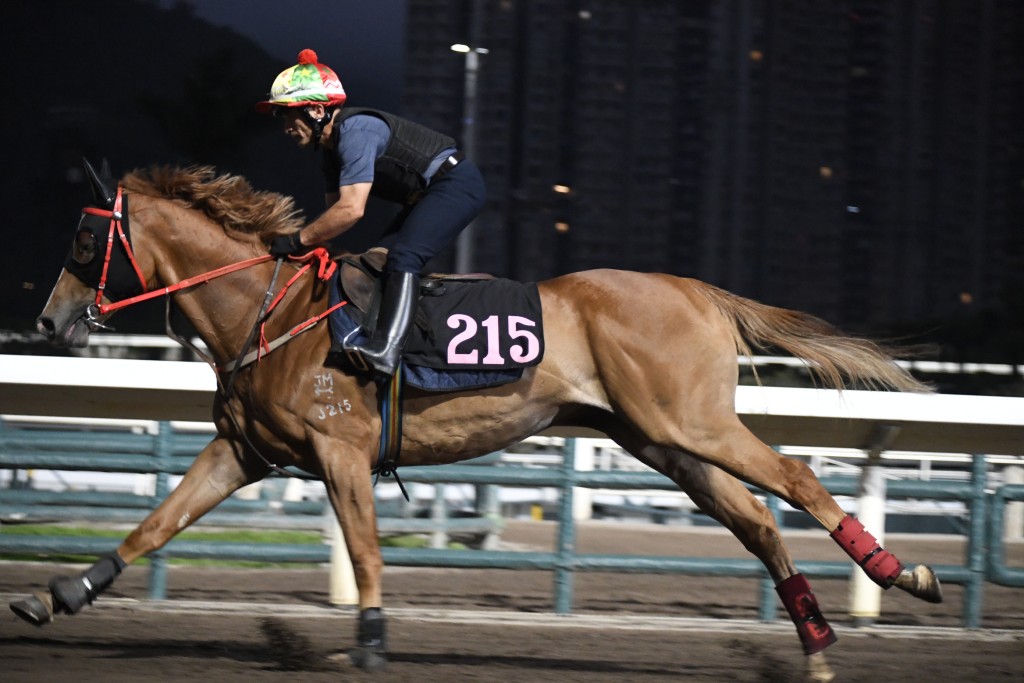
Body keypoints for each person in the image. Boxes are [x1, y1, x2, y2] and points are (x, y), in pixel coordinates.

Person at [257, 49, 486, 378]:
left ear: (317, 109)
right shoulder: (330, 153)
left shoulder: (357, 131)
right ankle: (387, 338)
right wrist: (305, 245)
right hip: (426, 196)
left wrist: (296, 240)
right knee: (375, 260)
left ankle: (388, 351)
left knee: (403, 257)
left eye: (286, 114)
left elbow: (351, 210)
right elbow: (333, 217)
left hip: (457, 184)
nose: (286, 127)